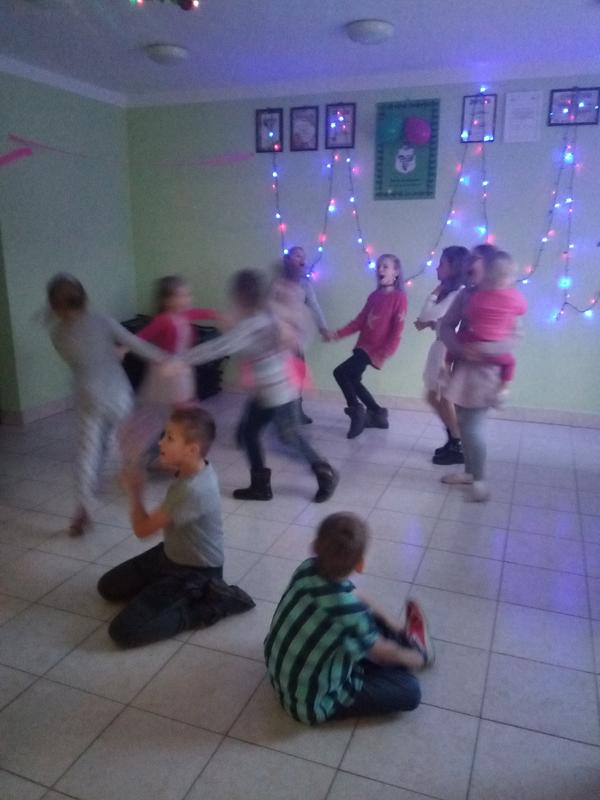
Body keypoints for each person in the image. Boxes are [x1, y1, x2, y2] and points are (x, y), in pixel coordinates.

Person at [98, 407, 251, 647]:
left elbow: (142, 530)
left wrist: (135, 492)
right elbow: (163, 462)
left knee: (123, 632)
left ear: (192, 450)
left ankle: (214, 604)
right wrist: (138, 452)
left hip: (197, 572)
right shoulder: (197, 466)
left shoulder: (191, 490)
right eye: (164, 435)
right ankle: (162, 593)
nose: (161, 442)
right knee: (107, 588)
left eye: (169, 438)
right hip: (170, 555)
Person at [182, 269, 338, 503]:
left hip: (278, 392)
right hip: (269, 391)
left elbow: (219, 347)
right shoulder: (263, 316)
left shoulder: (257, 322)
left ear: (242, 296)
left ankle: (324, 472)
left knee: (287, 436)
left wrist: (179, 360)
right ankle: (262, 486)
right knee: (253, 433)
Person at [264, 512, 434, 725]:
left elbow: (353, 594)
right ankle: (414, 645)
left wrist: (393, 623)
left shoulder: (307, 568)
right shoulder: (351, 614)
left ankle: (402, 638)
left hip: (281, 674)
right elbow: (382, 653)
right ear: (360, 565)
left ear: (314, 547)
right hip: (311, 703)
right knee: (410, 690)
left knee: (367, 623)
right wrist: (419, 658)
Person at [45, 273, 167, 535]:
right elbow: (136, 344)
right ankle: (135, 489)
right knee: (127, 442)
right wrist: (168, 359)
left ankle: (83, 507)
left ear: (55, 307)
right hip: (115, 391)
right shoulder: (101, 320)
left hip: (86, 394)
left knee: (87, 451)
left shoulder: (57, 334)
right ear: (85, 298)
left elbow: (82, 355)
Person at [439, 246, 523, 502]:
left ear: (490, 266)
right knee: (464, 423)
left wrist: (484, 350)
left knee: (473, 427)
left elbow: (515, 337)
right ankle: (470, 472)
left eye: (475, 258)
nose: (469, 262)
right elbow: (446, 326)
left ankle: (479, 480)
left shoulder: (506, 297)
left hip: (487, 373)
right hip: (463, 368)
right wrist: (460, 349)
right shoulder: (465, 295)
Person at [119, 275, 220, 467]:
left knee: (176, 415)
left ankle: (166, 452)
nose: (187, 299)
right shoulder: (163, 320)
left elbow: (201, 312)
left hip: (180, 372)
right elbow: (142, 336)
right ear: (167, 300)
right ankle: (156, 452)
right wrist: (124, 348)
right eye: (181, 296)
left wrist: (219, 315)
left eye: (187, 295)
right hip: (167, 375)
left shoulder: (185, 316)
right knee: (177, 414)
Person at [328, 254, 407, 439]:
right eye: (379, 266)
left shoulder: (399, 297)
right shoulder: (374, 296)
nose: (380, 269)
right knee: (353, 380)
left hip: (375, 349)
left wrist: (387, 351)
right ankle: (378, 414)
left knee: (340, 373)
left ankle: (356, 411)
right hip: (363, 346)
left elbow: (398, 328)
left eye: (385, 266)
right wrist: (338, 333)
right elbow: (360, 321)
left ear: (396, 272)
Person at [447, 251, 527, 408]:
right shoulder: (514, 297)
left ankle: (445, 368)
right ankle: (504, 389)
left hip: (476, 346)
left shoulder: (478, 296)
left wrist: (472, 347)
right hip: (482, 354)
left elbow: (470, 313)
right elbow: (522, 310)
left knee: (470, 422)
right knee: (510, 363)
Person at [414, 246, 469, 465]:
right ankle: (454, 440)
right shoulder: (454, 293)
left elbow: (428, 313)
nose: (438, 268)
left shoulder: (457, 292)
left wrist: (434, 293)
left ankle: (458, 443)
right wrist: (432, 324)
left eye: (442, 264)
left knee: (444, 398)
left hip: (447, 350)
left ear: (454, 267)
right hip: (441, 346)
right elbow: (440, 319)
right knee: (434, 397)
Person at [270, 246, 329, 424]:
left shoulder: (305, 284)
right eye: (297, 255)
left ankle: (297, 411)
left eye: (303, 256)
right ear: (288, 260)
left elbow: (314, 305)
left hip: (296, 339)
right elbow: (269, 308)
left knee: (298, 374)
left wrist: (323, 327)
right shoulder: (277, 284)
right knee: (281, 376)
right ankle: (280, 413)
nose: (301, 259)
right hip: (279, 339)